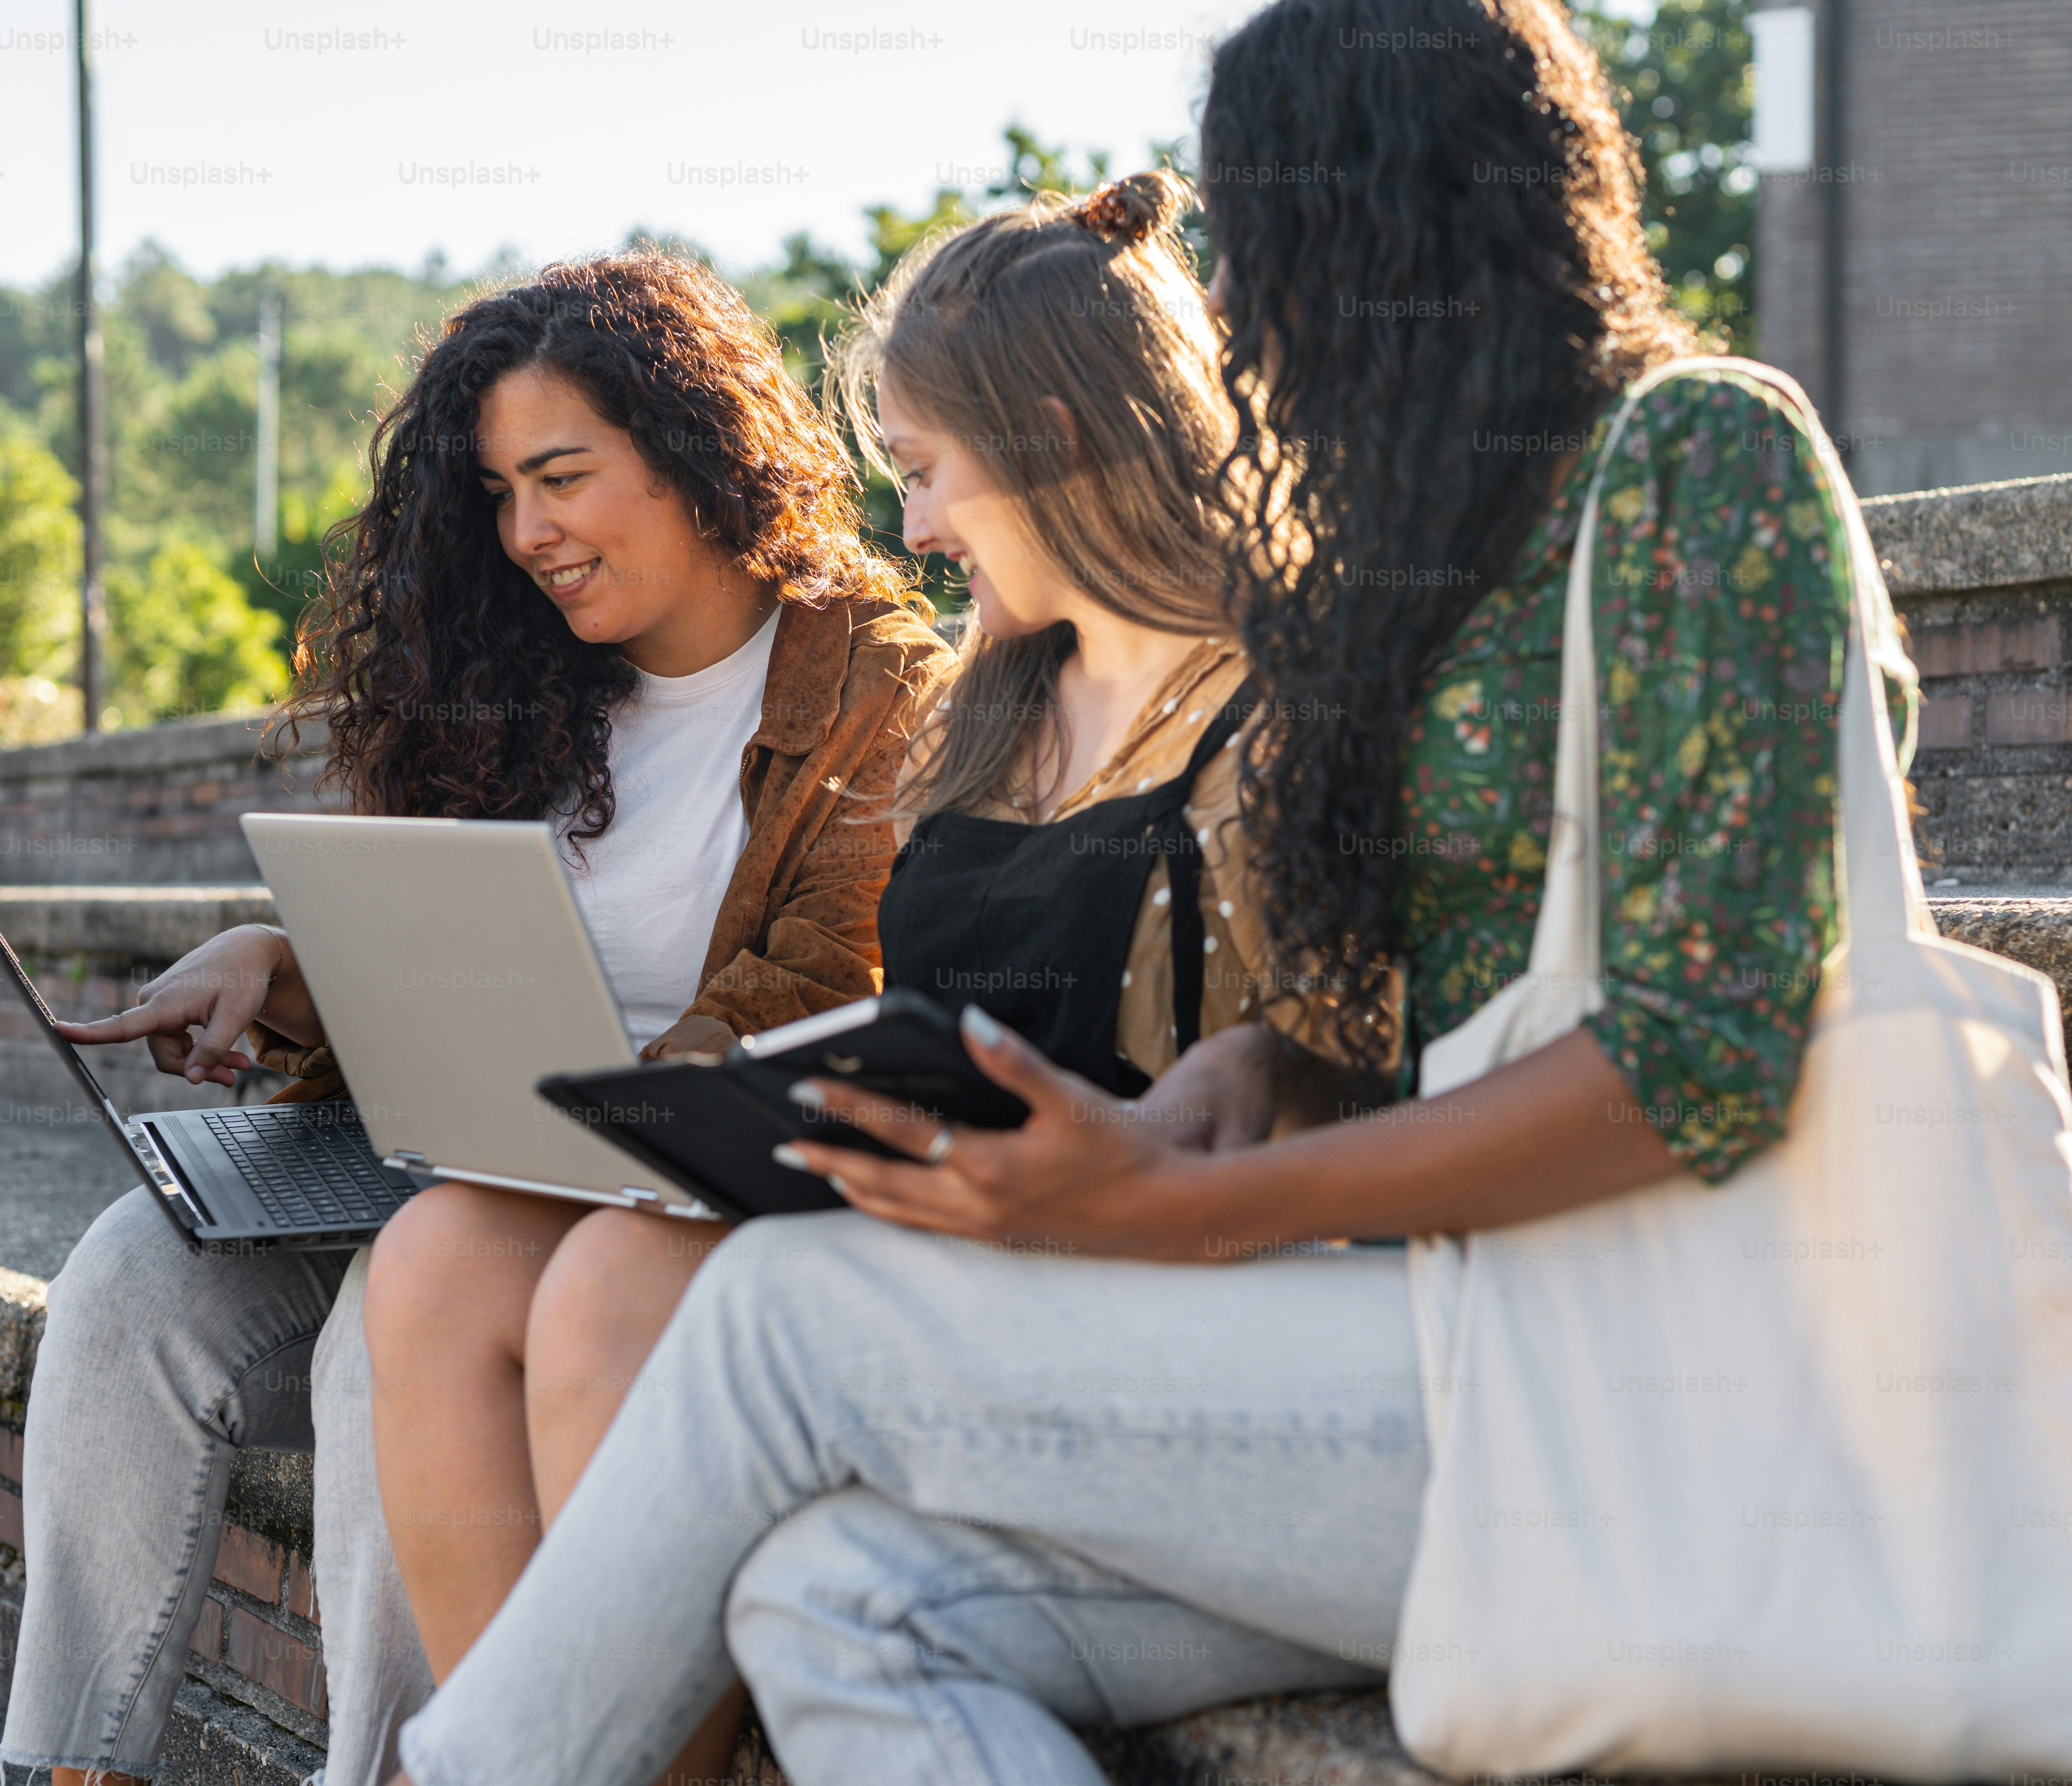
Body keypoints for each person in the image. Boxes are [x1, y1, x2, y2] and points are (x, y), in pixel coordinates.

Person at [384, 0, 1914, 1783]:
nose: (1239, 319)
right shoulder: (1425, 562)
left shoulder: (1697, 456)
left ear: (1391, 221)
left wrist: (1168, 1207)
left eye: (1263, 242)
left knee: (772, 1315)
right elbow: (1443, 1014)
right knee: (834, 1595)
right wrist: (1266, 1078)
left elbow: (1702, 1061)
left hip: (1652, 1393)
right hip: (1441, 1361)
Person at [359, 170, 1370, 1782]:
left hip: (1149, 1273)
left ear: (1051, 434)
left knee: (625, 1288)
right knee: (443, 1261)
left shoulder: (1291, 704)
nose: (909, 529)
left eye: (925, 472)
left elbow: (1289, 1117)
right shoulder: (995, 699)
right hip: (945, 1213)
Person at [0, 251, 947, 1786]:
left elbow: (836, 974)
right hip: (469, 1156)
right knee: (126, 1272)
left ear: (699, 453)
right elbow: (449, 962)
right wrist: (282, 966)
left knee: (397, 1303)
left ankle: (385, 1771)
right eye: (500, 492)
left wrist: (578, 1105)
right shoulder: (513, 683)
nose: (529, 535)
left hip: (670, 1182)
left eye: (562, 478)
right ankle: (70, 1765)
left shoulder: (875, 685)